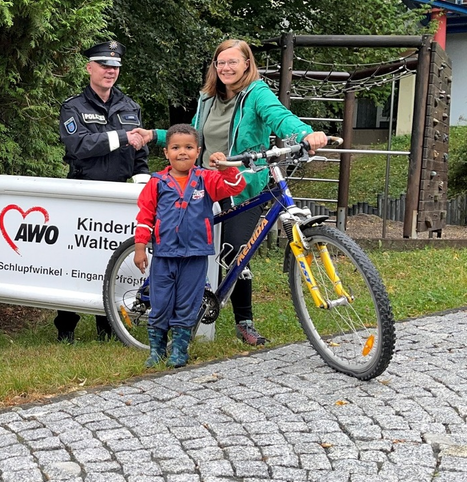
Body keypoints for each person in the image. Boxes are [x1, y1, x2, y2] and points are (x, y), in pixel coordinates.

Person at [134, 39, 328, 346]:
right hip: (203, 185)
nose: (225, 68)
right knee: (181, 243)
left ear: (247, 64)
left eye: (233, 62)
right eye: (220, 62)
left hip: (242, 184)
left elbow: (280, 117)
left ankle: (244, 322)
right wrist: (155, 135)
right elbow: (194, 136)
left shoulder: (257, 94)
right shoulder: (207, 98)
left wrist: (307, 134)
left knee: (237, 251)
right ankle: (161, 305)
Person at [57, 40, 150, 343]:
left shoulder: (131, 107)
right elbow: (79, 146)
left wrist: (142, 193)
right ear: (89, 68)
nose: (110, 71)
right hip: (84, 194)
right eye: (104, 66)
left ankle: (107, 325)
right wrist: (123, 136)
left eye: (115, 67)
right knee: (76, 261)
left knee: (112, 261)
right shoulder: (74, 107)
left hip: (118, 198)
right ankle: (66, 326)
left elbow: (141, 159)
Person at [133, 124, 246, 368]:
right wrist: (140, 247)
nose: (182, 152)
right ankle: (156, 350)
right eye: (175, 147)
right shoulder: (157, 182)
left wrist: (225, 168)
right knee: (161, 302)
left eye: (188, 147)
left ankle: (180, 350)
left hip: (195, 255)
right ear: (166, 153)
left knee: (187, 303)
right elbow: (144, 217)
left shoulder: (206, 179)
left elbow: (236, 187)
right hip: (164, 255)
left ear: (198, 151)